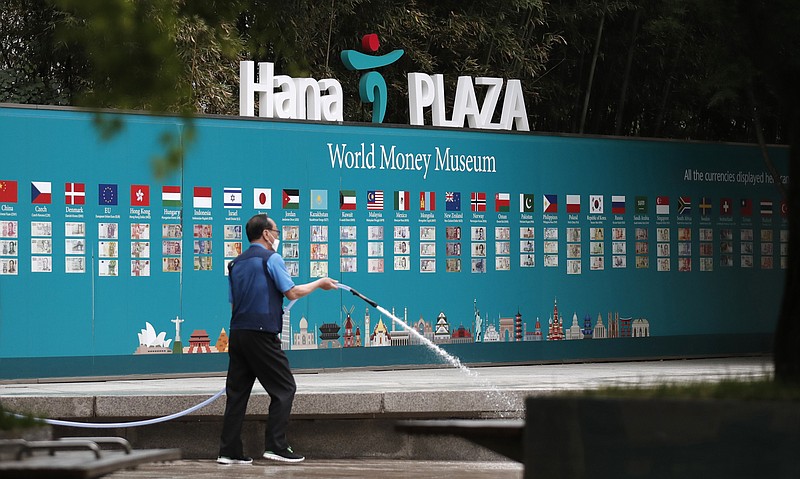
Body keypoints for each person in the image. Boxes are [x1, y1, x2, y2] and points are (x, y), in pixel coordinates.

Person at [218, 213, 337, 465]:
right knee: (284, 388)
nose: (278, 236)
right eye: (277, 232)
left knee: (237, 393)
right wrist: (320, 283)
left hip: (238, 333)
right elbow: (291, 291)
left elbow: (233, 305)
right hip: (262, 333)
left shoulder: (235, 263)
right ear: (266, 234)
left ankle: (228, 451)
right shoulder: (272, 258)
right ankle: (276, 446)